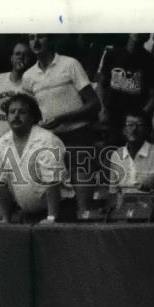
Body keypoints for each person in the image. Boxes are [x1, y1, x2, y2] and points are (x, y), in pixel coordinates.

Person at [22, 34, 101, 216]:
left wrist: (63, 118)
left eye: (40, 36)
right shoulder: (29, 76)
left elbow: (94, 104)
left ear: (49, 40)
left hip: (78, 135)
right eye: (31, 38)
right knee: (56, 204)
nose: (36, 42)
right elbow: (32, 113)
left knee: (83, 209)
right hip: (51, 141)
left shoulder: (70, 64)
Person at [0, 93, 70, 223]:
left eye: (22, 112)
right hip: (28, 215)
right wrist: (5, 218)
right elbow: (1, 183)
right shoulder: (2, 143)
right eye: (12, 112)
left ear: (32, 117)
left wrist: (51, 218)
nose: (16, 116)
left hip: (58, 213)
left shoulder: (47, 140)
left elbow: (53, 182)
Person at [95, 34, 154, 144]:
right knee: (111, 153)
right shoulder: (112, 54)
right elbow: (101, 84)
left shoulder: (152, 63)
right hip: (111, 116)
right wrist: (102, 109)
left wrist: (138, 119)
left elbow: (153, 98)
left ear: (147, 36)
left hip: (134, 121)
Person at [106, 112, 154, 199]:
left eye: (139, 125)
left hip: (153, 207)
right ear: (123, 130)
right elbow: (113, 192)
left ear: (147, 129)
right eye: (129, 125)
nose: (134, 129)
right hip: (124, 209)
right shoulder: (116, 155)